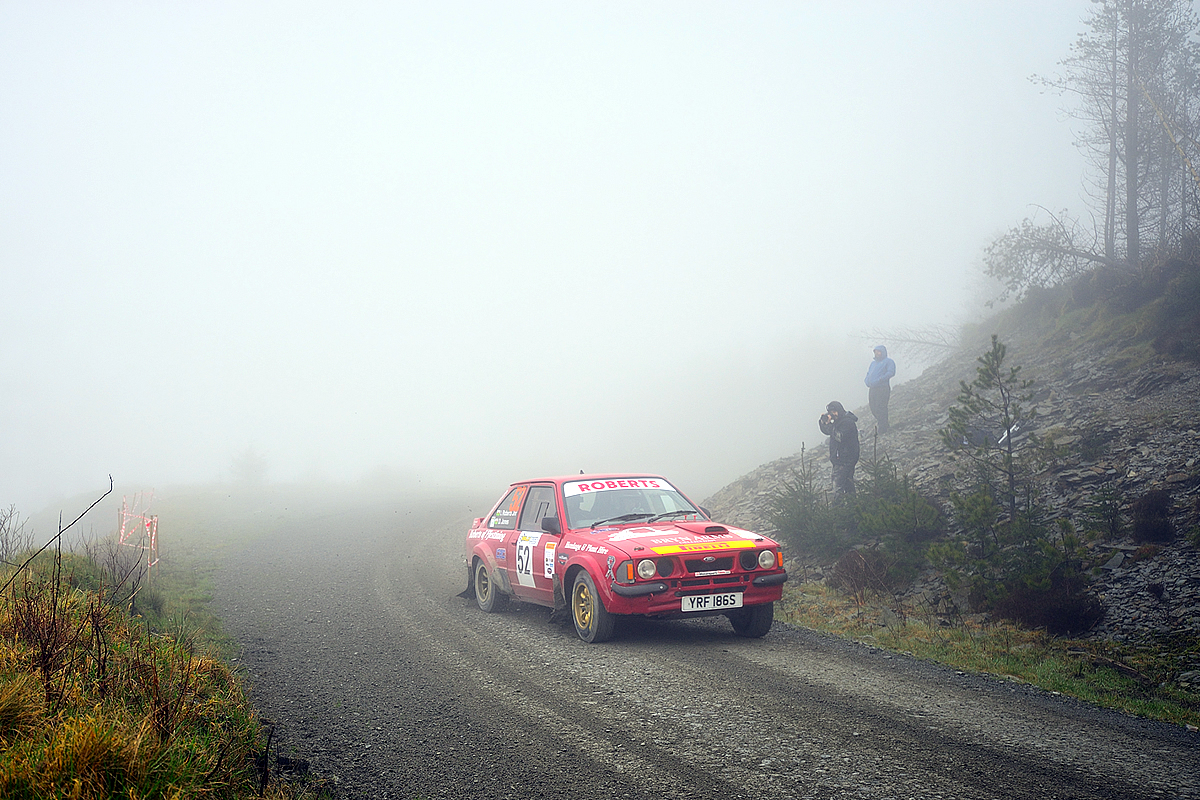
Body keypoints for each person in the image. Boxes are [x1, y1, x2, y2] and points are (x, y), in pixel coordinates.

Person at [819, 401, 859, 495]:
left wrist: (830, 426)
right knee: (848, 484)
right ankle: (853, 504)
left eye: (834, 411)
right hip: (841, 458)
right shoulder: (838, 421)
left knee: (837, 486)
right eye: (831, 412)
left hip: (845, 459)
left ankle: (838, 507)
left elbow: (840, 437)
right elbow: (827, 432)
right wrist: (823, 423)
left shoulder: (847, 422)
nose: (833, 414)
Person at [864, 344, 896, 434]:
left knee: (881, 407)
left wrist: (880, 380)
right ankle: (883, 423)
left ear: (883, 352)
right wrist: (866, 381)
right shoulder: (873, 363)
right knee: (873, 407)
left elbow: (891, 372)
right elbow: (868, 373)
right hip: (872, 388)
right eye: (875, 351)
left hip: (882, 388)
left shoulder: (888, 361)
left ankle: (883, 427)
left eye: (879, 351)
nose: (877, 353)